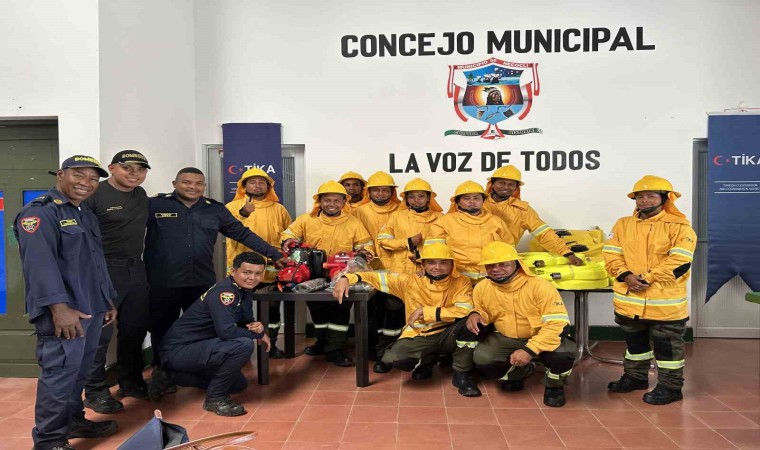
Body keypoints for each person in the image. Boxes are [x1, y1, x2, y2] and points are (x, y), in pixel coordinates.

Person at [144, 167, 285, 399]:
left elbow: (242, 234)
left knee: (208, 327)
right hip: (164, 280)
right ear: (175, 184)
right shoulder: (155, 205)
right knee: (163, 327)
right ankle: (163, 372)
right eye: (187, 182)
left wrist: (275, 254)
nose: (193, 187)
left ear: (204, 186)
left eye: (199, 183)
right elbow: (130, 232)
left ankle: (203, 368)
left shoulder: (214, 209)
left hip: (201, 280)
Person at [15, 155, 119, 450]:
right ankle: (49, 441)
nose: (86, 183)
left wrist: (106, 299)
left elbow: (95, 261)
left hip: (91, 307)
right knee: (59, 376)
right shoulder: (40, 213)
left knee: (79, 373)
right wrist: (59, 309)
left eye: (93, 179)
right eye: (79, 175)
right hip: (64, 313)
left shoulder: (84, 213)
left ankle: (73, 421)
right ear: (61, 175)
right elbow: (39, 265)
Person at [332, 243, 481, 397]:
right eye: (431, 262)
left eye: (443, 262)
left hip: (449, 332)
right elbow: (373, 277)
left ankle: (462, 373)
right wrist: (345, 278)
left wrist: (426, 311)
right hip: (419, 334)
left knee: (469, 325)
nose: (437, 267)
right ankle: (427, 360)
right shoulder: (409, 281)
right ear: (423, 265)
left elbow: (465, 309)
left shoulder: (461, 281)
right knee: (394, 358)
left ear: (452, 265)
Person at [603, 175, 696, 405]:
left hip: (665, 303)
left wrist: (646, 278)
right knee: (635, 345)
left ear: (665, 198)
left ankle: (671, 387)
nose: (644, 200)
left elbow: (680, 262)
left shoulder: (680, 227)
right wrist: (626, 275)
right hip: (629, 301)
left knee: (668, 350)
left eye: (651, 196)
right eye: (640, 196)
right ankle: (635, 378)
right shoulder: (622, 224)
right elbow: (611, 255)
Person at [80, 150, 151, 415]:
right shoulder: (94, 194)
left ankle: (130, 382)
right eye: (127, 168)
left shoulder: (140, 195)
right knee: (99, 334)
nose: (134, 174)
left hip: (136, 269)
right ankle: (95, 392)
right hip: (104, 270)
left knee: (134, 329)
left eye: (140, 169)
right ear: (111, 168)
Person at [157, 252, 270, 416]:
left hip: (201, 347)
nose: (252, 278)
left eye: (258, 273)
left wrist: (257, 328)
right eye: (247, 272)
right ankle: (215, 398)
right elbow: (227, 332)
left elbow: (246, 322)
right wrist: (257, 335)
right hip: (178, 350)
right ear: (233, 271)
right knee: (243, 345)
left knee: (238, 384)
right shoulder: (225, 292)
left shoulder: (244, 290)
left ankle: (172, 377)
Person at [468, 241, 576, 407]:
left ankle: (554, 386)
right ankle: (519, 373)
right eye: (490, 265)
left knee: (563, 355)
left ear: (517, 264)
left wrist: (529, 350)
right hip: (507, 337)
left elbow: (557, 324)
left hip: (544, 336)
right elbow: (484, 311)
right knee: (483, 358)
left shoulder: (540, 286)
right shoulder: (482, 287)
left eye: (503, 264)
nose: (496, 269)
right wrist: (475, 314)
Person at [280, 181, 374, 366]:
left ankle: (335, 348)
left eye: (337, 201)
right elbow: (288, 234)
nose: (332, 204)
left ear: (344, 202)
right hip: (312, 273)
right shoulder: (306, 220)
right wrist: (290, 242)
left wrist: (363, 252)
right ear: (320, 201)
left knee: (340, 309)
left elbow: (366, 244)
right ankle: (322, 342)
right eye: (327, 200)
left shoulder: (353, 223)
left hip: (341, 274)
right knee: (317, 309)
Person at [225, 167, 291, 358]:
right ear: (243, 186)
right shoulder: (232, 207)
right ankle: (240, 349)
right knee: (238, 309)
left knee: (272, 309)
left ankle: (271, 345)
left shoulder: (279, 209)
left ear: (268, 186)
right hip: (242, 270)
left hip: (271, 270)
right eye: (252, 182)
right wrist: (243, 213)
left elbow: (288, 236)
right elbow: (228, 229)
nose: (257, 185)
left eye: (262, 182)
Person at [352, 171, 403, 372]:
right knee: (371, 311)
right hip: (369, 270)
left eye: (385, 190)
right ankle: (371, 349)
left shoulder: (402, 209)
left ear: (392, 192)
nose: (381, 193)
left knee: (394, 310)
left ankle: (390, 349)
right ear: (369, 192)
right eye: (376, 190)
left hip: (397, 269)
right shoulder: (359, 211)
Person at [483, 165, 584, 266]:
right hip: (475, 259)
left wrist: (567, 253)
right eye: (501, 183)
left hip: (502, 262)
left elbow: (544, 233)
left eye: (511, 184)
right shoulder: (478, 203)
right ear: (492, 184)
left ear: (516, 188)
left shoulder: (523, 211)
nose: (506, 187)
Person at [425, 180, 509, 283]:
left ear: (483, 201)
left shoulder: (497, 222)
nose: (472, 201)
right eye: (466, 198)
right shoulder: (444, 222)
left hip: (490, 278)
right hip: (455, 279)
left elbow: (507, 251)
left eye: (476, 198)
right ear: (458, 202)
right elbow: (433, 252)